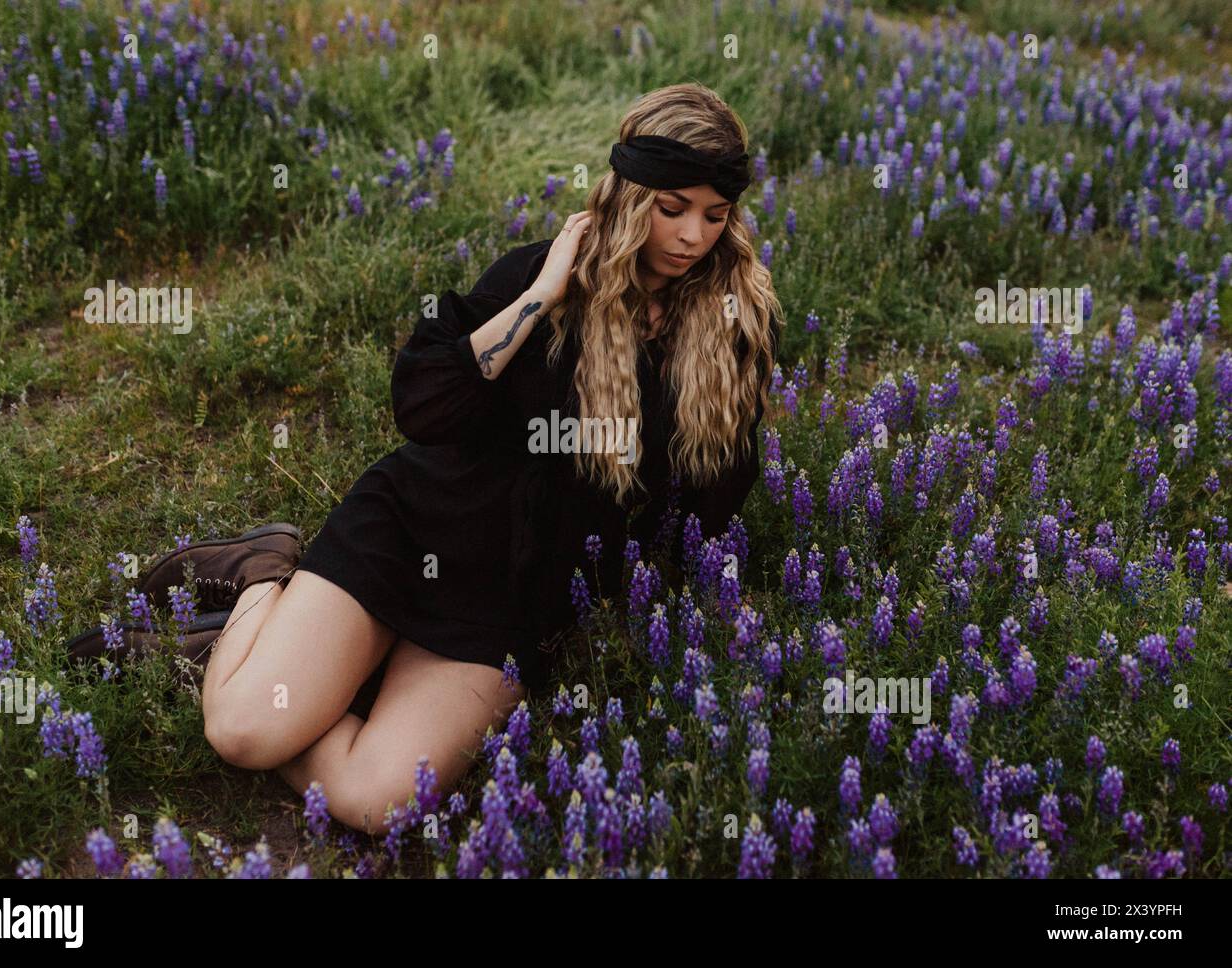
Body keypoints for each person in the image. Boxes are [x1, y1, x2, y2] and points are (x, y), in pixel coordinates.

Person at [69, 82, 783, 835]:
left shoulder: (734, 321)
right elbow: (424, 406)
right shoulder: (533, 278)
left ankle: (259, 657)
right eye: (672, 209)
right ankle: (261, 578)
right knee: (244, 730)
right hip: (412, 532)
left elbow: (719, 484)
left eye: (715, 214)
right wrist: (544, 293)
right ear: (628, 195)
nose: (693, 237)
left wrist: (642, 592)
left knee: (376, 803)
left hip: (512, 597)